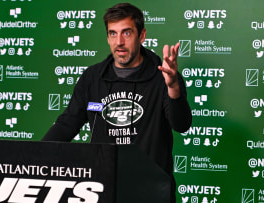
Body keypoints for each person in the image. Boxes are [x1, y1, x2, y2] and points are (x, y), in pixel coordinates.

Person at [43, 3, 192, 202]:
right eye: (113, 34)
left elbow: (181, 124)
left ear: (142, 35)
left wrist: (173, 86)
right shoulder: (92, 77)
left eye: (127, 33)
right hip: (101, 188)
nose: (119, 42)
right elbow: (67, 124)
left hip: (150, 191)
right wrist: (34, 155)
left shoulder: (163, 76)